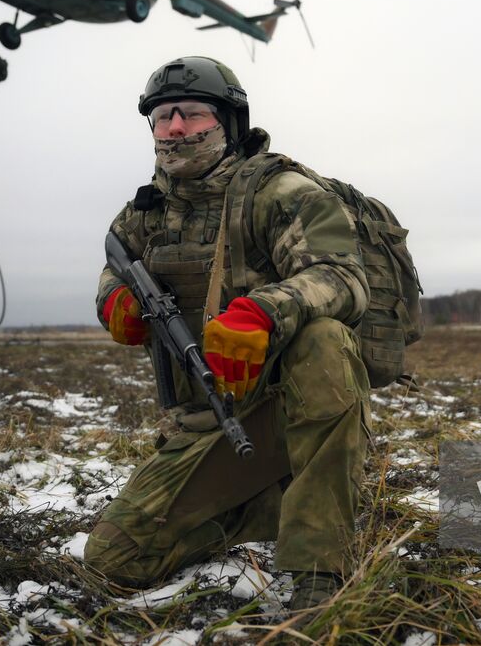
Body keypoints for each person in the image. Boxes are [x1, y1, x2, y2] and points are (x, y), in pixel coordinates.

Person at [83, 56, 370, 611]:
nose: (174, 128)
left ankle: (318, 566)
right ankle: (277, 503)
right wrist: (113, 303)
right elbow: (112, 273)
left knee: (325, 341)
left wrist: (265, 312)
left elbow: (343, 278)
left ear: (228, 122)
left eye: (191, 113)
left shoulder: (279, 192)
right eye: (162, 116)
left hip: (291, 409)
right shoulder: (144, 214)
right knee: (114, 558)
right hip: (202, 425)